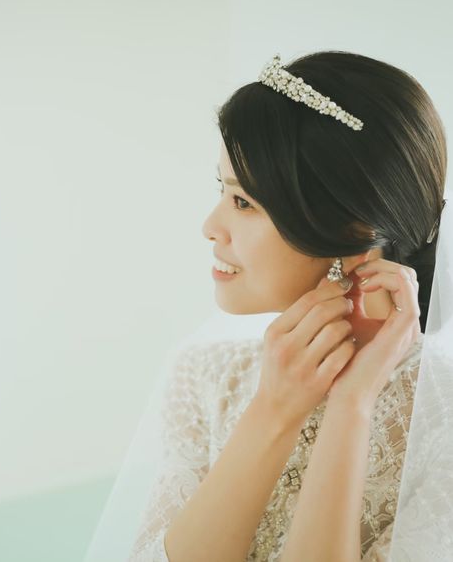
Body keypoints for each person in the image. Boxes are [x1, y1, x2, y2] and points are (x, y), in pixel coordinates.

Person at [83, 50, 452, 562]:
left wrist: (351, 405)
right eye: (223, 190)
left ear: (354, 237)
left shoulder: (442, 415)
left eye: (243, 203)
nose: (210, 227)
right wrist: (273, 408)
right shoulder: (204, 377)